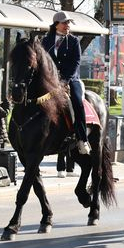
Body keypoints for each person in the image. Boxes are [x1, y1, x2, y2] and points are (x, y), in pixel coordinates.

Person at [42, 11, 91, 155]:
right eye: (64, 23)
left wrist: (64, 81)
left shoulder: (74, 41)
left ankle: (82, 138)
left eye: (68, 23)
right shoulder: (46, 40)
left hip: (70, 79)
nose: (67, 25)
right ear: (56, 24)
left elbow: (75, 62)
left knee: (77, 101)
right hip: (50, 80)